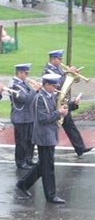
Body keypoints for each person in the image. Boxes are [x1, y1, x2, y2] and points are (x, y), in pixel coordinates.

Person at [16, 74, 69, 204]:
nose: (55, 88)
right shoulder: (39, 98)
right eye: (53, 85)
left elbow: (55, 110)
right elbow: (43, 118)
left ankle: (23, 184)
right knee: (48, 167)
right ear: (46, 85)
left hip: (50, 134)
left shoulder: (51, 96)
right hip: (44, 136)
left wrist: (72, 105)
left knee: (42, 165)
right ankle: (51, 195)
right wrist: (59, 113)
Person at [43, 49, 93, 158]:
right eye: (59, 59)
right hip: (54, 102)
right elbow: (57, 83)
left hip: (63, 102)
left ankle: (80, 147)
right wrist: (67, 73)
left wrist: (75, 75)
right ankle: (43, 150)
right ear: (53, 59)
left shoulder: (59, 69)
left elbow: (70, 81)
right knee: (52, 127)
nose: (61, 61)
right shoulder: (48, 70)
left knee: (69, 124)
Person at [9, 64, 39, 170]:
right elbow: (25, 99)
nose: (27, 75)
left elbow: (32, 97)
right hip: (20, 117)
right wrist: (34, 90)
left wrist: (37, 90)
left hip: (29, 116)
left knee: (30, 139)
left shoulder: (24, 83)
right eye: (25, 73)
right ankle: (20, 162)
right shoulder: (15, 85)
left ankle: (29, 159)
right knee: (21, 141)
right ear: (19, 73)